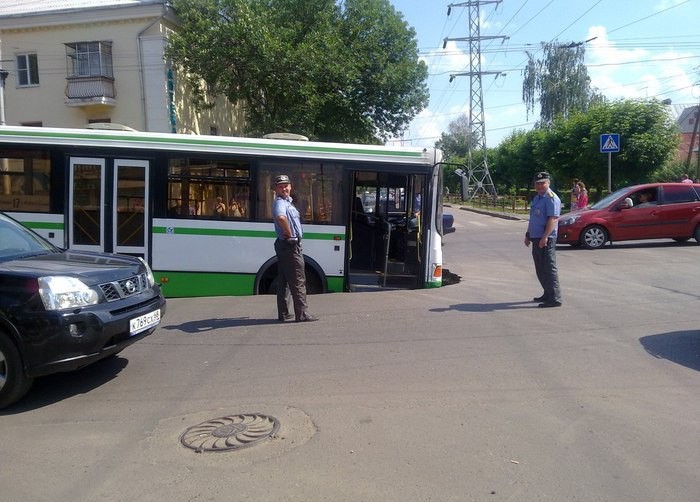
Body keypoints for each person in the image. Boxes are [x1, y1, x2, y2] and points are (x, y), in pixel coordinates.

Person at [272, 174, 318, 322]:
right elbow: (281, 217)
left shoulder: (288, 203)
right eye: (281, 186)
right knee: (299, 279)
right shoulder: (280, 203)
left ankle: (284, 313)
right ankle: (302, 314)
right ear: (276, 189)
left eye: (286, 185)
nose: (284, 188)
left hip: (284, 246)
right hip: (290, 245)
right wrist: (289, 234)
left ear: (290, 186)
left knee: (284, 280)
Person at [524, 171, 562, 308]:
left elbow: (553, 219)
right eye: (537, 183)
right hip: (536, 237)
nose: (540, 186)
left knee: (549, 268)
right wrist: (528, 234)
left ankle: (555, 298)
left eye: (542, 183)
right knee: (540, 268)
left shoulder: (551, 198)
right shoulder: (538, 198)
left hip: (546, 238)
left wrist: (545, 237)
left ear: (548, 183)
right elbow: (534, 218)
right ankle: (547, 293)